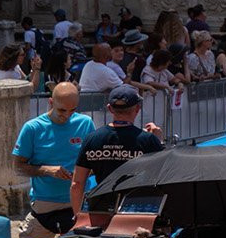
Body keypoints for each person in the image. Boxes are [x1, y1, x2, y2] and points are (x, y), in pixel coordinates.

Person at [13, 81, 96, 238]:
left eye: (73, 110)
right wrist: (47, 170)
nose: (67, 115)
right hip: (45, 203)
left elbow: (94, 161)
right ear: (51, 102)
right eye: (62, 110)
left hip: (80, 201)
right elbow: (18, 167)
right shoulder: (32, 128)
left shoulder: (85, 123)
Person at [70, 83, 165, 219]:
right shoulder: (148, 140)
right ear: (137, 109)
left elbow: (76, 184)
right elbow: (162, 176)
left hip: (100, 208)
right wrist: (158, 141)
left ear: (110, 109)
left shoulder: (92, 139)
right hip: (135, 210)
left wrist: (78, 217)